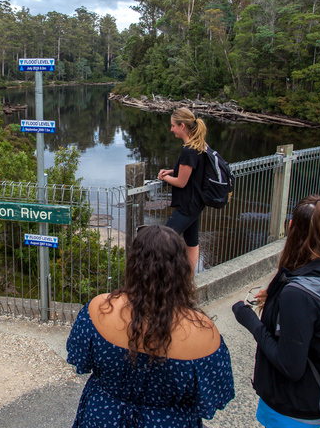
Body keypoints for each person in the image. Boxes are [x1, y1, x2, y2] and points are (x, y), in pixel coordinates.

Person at [66, 225, 235, 427]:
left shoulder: (98, 309)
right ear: (182, 269)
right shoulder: (205, 333)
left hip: (103, 415)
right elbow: (217, 393)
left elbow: (80, 357)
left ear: (133, 265)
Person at [231, 195, 320, 427]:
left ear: (290, 228)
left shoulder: (298, 295)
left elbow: (291, 366)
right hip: (319, 394)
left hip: (293, 409)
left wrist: (249, 320)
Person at [157, 107, 209, 270]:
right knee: (192, 242)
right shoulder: (200, 145)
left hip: (187, 206)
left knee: (162, 242)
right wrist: (172, 171)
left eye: (173, 125)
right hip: (196, 204)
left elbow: (181, 182)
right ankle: (188, 281)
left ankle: (168, 280)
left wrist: (164, 177)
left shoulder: (189, 150)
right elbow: (193, 171)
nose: (171, 129)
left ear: (182, 126)